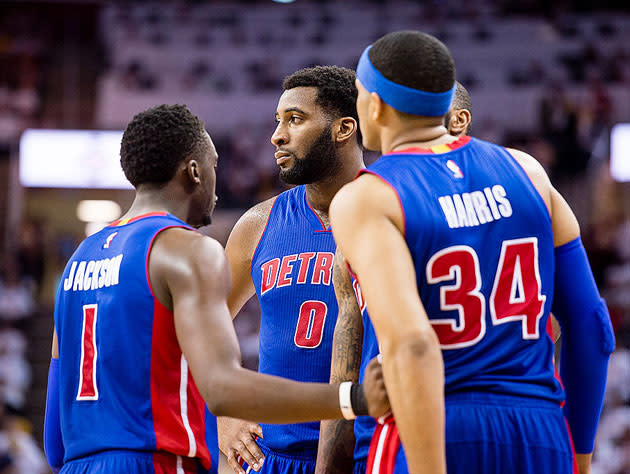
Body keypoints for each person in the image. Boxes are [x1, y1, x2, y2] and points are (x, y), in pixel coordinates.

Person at [43, 104, 389, 474]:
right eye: (214, 167)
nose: (217, 189)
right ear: (193, 172)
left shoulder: (79, 258)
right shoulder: (187, 249)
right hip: (158, 462)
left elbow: (53, 440)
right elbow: (224, 390)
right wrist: (353, 398)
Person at [330, 31, 614, 474]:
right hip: (539, 431)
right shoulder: (529, 172)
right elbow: (591, 325)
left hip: (433, 426)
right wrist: (577, 454)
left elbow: (413, 345)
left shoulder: (367, 197)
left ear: (376, 106)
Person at [315, 82, 473, 474]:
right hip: (516, 421)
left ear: (458, 120)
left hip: (406, 430)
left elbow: (412, 347)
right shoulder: (521, 183)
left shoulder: (368, 205)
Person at [217, 66, 366, 474]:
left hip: (364, 454)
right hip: (270, 456)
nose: (277, 136)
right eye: (277, 121)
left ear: (343, 128)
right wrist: (224, 414)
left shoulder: (394, 214)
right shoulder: (257, 224)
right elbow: (200, 329)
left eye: (295, 120)